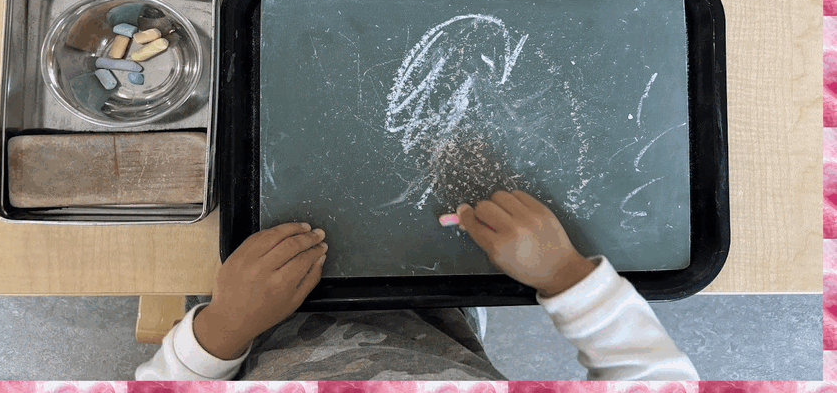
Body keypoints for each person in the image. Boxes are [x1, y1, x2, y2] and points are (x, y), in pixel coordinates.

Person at [135, 189, 700, 381]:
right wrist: (565, 274)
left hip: (254, 324)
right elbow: (657, 379)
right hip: (435, 326)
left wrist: (223, 328)